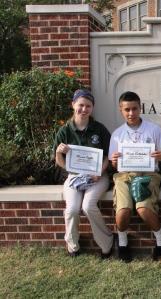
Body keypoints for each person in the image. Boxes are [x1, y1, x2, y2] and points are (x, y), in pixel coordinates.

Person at [53, 89, 113, 258]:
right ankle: (72, 245)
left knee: (88, 206)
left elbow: (108, 156)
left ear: (92, 108)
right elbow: (60, 163)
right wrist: (59, 152)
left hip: (98, 176)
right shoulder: (64, 131)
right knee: (71, 209)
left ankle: (106, 243)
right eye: (81, 105)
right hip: (74, 177)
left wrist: (99, 172)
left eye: (88, 106)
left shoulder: (99, 129)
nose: (84, 109)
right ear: (73, 105)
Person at [109, 91, 161, 263]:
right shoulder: (117, 134)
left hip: (149, 174)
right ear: (121, 110)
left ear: (140, 108)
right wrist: (114, 160)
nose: (131, 113)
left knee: (143, 209)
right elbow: (113, 164)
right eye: (127, 109)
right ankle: (123, 242)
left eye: (134, 109)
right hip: (124, 175)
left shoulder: (154, 130)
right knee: (123, 211)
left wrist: (160, 156)